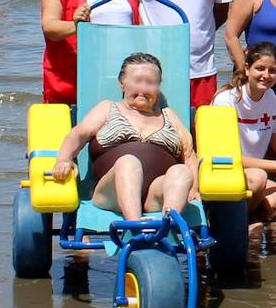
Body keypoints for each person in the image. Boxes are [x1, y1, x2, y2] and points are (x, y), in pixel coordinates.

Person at [50, 53, 197, 222]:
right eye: (137, 81)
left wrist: (194, 189)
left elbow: (188, 154)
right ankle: (134, 226)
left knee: (182, 171)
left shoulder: (168, 115)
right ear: (122, 83)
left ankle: (169, 223)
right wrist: (64, 159)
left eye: (150, 82)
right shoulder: (108, 108)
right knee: (128, 162)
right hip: (111, 193)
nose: (143, 89)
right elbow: (78, 134)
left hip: (155, 194)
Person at [212, 42, 276, 222]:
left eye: (272, 71)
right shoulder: (226, 100)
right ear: (247, 69)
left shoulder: (270, 98)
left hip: (251, 175)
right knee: (258, 177)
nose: (266, 75)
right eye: (260, 69)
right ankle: (233, 224)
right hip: (224, 172)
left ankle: (247, 224)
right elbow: (230, 158)